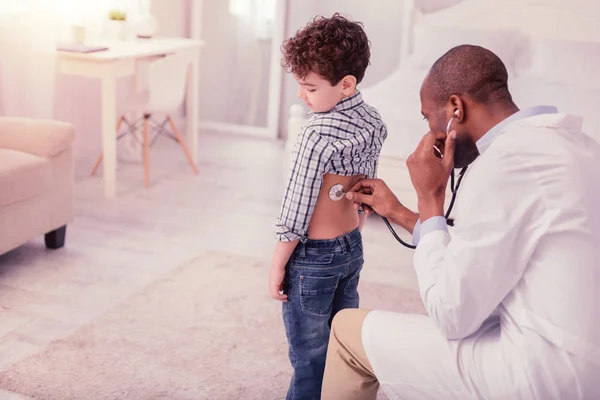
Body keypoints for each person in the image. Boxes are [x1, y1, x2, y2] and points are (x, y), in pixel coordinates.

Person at [320, 44, 600, 400]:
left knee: (346, 330)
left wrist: (430, 197)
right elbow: (486, 249)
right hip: (588, 369)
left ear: (456, 108)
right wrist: (401, 212)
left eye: (427, 117)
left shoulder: (504, 165)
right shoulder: (576, 146)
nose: (429, 129)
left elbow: (452, 315)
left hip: (543, 378)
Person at [267, 13, 387, 400]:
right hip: (351, 248)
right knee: (341, 346)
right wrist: (357, 224)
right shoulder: (373, 120)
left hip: (313, 260)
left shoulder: (314, 134)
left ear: (346, 83)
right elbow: (366, 186)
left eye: (310, 87)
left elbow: (296, 208)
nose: (301, 95)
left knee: (310, 357)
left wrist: (278, 263)